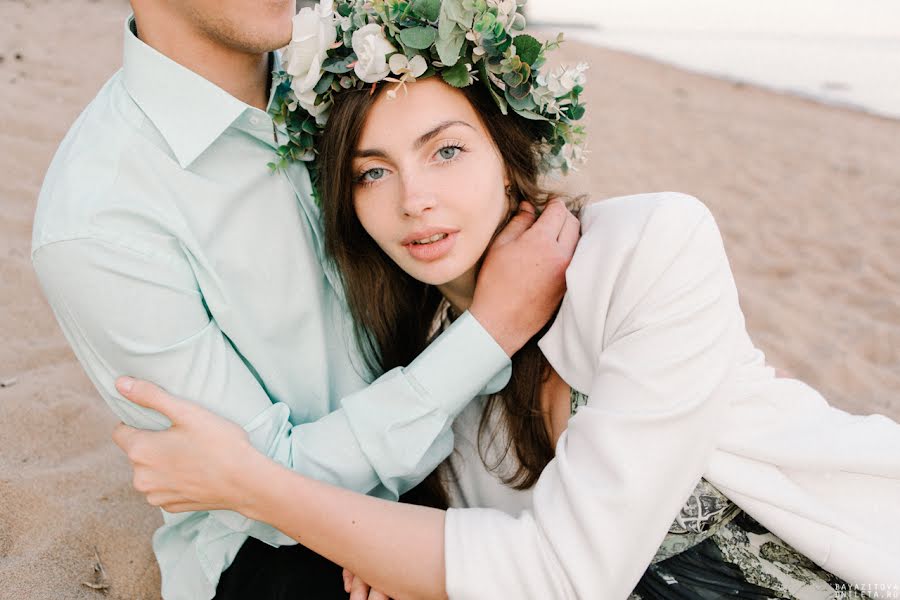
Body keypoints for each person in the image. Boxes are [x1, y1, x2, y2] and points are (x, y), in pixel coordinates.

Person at [110, 1, 900, 599]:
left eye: (447, 151)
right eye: (372, 171)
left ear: (506, 152)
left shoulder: (653, 248)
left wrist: (249, 484)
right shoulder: (431, 371)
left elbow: (560, 575)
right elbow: (477, 551)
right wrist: (396, 554)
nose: (415, 199)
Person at [30, 0, 577, 598]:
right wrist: (491, 329)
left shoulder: (351, 62)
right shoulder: (100, 220)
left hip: (455, 457)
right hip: (282, 548)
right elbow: (257, 491)